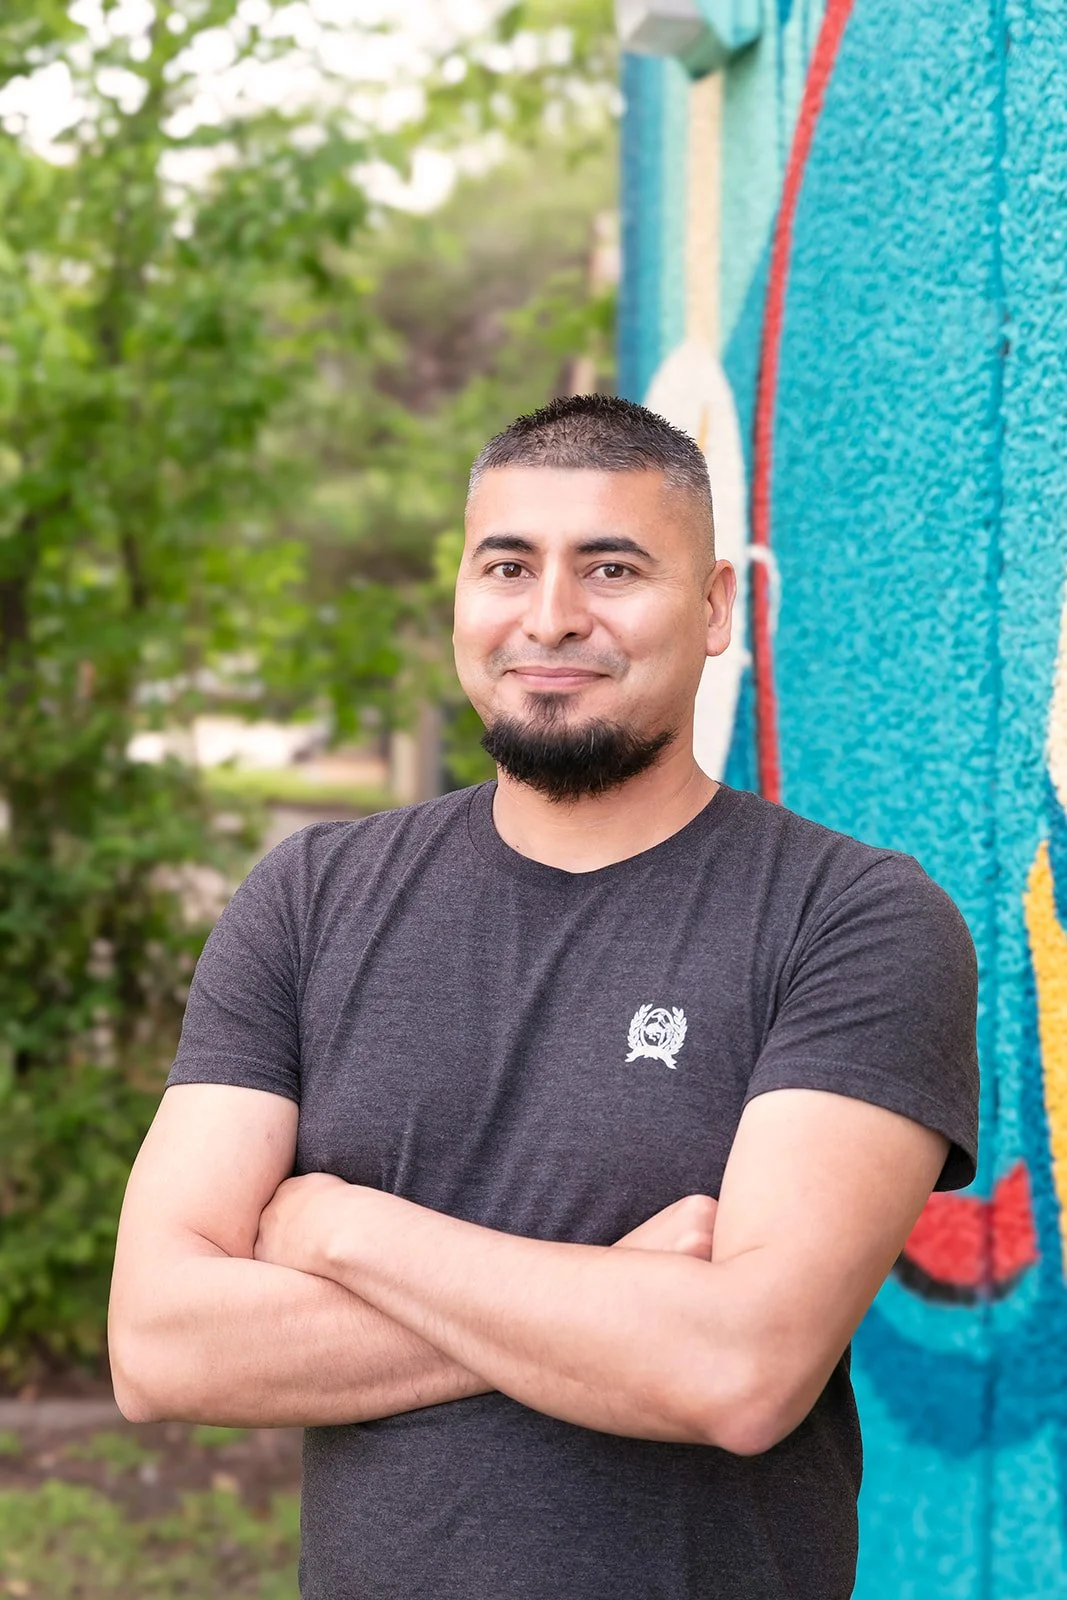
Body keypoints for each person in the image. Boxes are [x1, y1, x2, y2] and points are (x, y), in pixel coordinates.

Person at [108, 394, 979, 1600]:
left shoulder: (852, 919)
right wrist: (620, 1300)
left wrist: (342, 1230)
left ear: (716, 606)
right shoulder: (309, 898)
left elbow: (737, 1371)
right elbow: (158, 1342)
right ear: (462, 598)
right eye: (507, 565)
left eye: (611, 567)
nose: (552, 616)